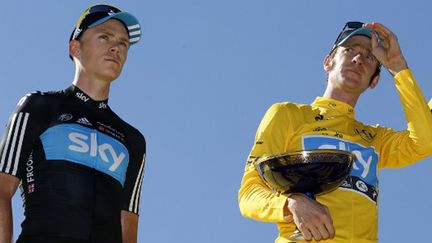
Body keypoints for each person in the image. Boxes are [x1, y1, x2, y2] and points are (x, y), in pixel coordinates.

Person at [238, 21, 432, 242]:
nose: (358, 59)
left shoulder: (376, 140)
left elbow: (425, 141)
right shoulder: (288, 114)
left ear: (374, 80)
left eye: (370, 57)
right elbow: (248, 194)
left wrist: (397, 65)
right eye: (349, 50)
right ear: (328, 62)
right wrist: (290, 204)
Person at [0, 4, 146, 243]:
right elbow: (1, 191)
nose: (116, 47)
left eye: (123, 43)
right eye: (105, 37)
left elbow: (127, 223)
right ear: (75, 48)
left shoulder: (133, 140)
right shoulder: (38, 106)